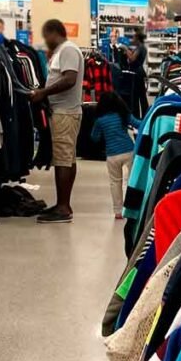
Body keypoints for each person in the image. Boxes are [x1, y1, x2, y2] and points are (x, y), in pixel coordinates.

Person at [30, 19, 85, 224]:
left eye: (47, 36)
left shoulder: (68, 50)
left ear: (55, 33)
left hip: (65, 113)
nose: (46, 41)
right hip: (64, 112)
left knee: (62, 159)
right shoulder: (63, 51)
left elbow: (70, 79)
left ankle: (63, 208)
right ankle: (63, 203)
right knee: (67, 159)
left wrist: (43, 93)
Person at [90, 92, 144, 220]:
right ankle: (132, 208)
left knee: (115, 182)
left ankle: (118, 211)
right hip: (128, 151)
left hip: (112, 155)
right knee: (132, 180)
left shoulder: (100, 120)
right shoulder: (123, 115)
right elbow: (139, 124)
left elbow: (94, 137)